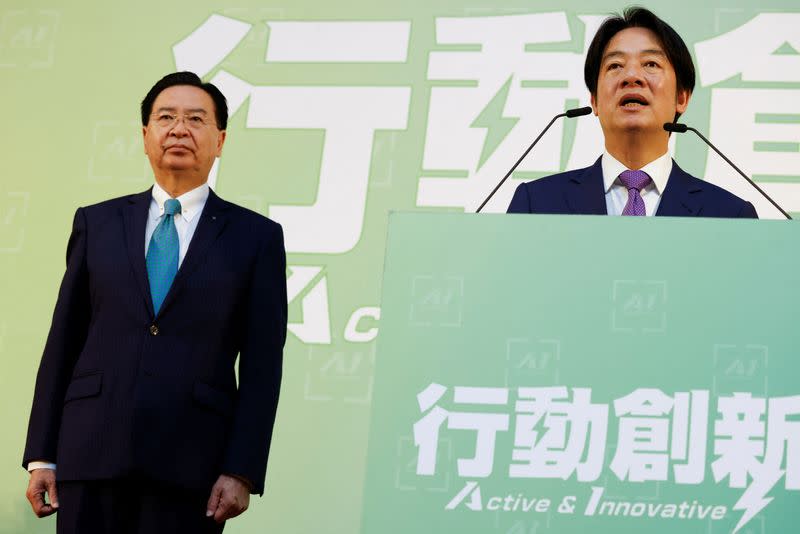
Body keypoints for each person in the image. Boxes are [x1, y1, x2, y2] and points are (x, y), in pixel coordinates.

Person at [22, 71, 287, 534]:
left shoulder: (256, 238)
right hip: (91, 456)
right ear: (145, 135)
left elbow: (264, 365)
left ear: (220, 139)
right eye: (166, 117)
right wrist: (42, 453)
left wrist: (241, 468)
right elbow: (64, 342)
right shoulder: (98, 223)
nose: (179, 129)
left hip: (192, 469)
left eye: (196, 119)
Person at [507, 7, 758, 218]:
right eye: (615, 65)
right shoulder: (536, 205)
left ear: (681, 97)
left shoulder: (729, 215)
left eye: (651, 64)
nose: (631, 76)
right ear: (594, 100)